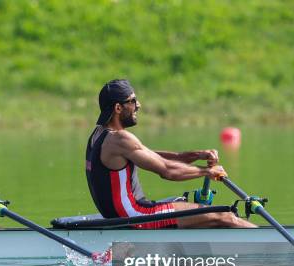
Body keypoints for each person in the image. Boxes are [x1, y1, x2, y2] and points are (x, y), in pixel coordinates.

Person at [86, 79, 256, 228]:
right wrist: (207, 171)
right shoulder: (120, 139)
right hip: (135, 216)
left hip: (124, 214)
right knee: (225, 216)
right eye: (133, 101)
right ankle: (276, 248)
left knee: (187, 205)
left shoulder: (98, 135)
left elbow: (155, 157)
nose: (138, 105)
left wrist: (197, 155)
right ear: (118, 107)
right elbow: (167, 171)